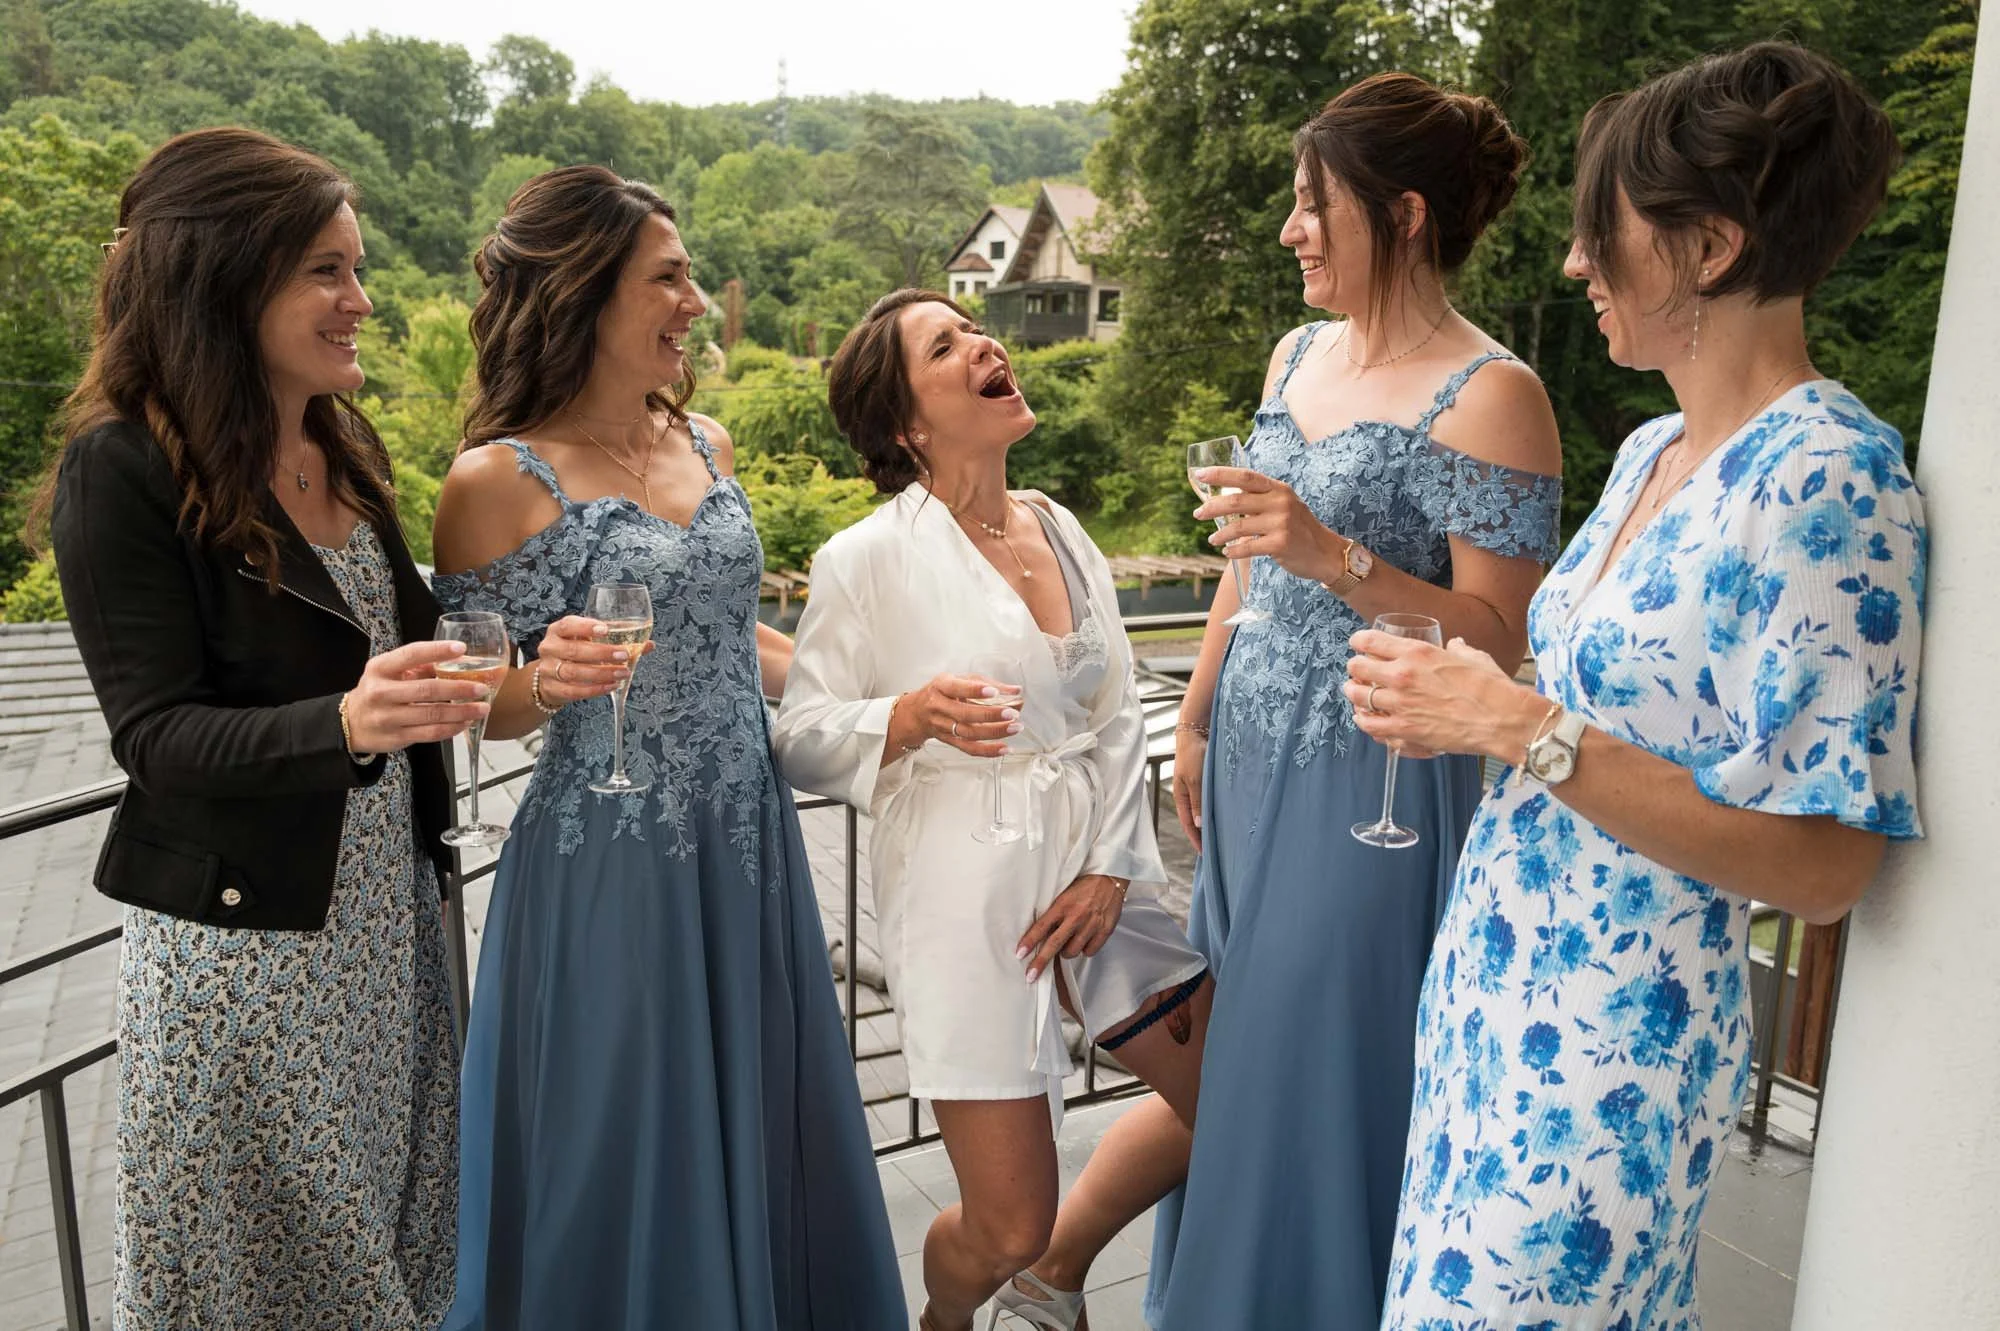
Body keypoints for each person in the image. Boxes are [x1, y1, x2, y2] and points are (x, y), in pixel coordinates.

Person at [1350, 43, 1923, 1328]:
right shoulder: (1654, 445)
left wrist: (1523, 727)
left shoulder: (1830, 480)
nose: (1572, 264)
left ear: (1707, 246)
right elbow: (1583, 701)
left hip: (1615, 1035)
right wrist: (1471, 700)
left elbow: (1826, 864)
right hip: (1493, 980)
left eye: (1598, 235)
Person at [1026, 73, 1564, 1329]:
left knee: (1311, 1064)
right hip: (1252, 760)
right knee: (1239, 1052)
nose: (1290, 230)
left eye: (1313, 204)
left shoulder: (1495, 394)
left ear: (1405, 212)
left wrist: (1339, 559)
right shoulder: (1297, 351)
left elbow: (1498, 638)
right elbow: (1246, 554)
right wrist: (1200, 709)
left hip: (1377, 782)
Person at [428, 165, 903, 1330]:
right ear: (586, 293)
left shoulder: (708, 439)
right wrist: (546, 680)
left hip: (747, 844)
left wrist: (878, 698)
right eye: (669, 277)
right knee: (625, 1132)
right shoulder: (495, 479)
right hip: (613, 857)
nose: (694, 301)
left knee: (761, 1120)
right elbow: (475, 694)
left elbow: (732, 633)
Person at [44, 127, 474, 1329]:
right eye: (326, 271)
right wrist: (344, 721)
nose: (362, 300)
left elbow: (420, 657)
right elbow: (157, 738)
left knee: (394, 1269)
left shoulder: (343, 449)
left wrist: (542, 674)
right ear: (228, 279)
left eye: (356, 268)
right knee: (268, 1290)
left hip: (386, 940)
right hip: (250, 964)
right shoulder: (119, 467)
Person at [771, 289, 1214, 1331]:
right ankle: (947, 1314)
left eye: (975, 328)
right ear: (905, 424)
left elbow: (1109, 719)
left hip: (1099, 884)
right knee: (1007, 1222)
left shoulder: (1057, 522)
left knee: (1238, 1103)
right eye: (946, 344)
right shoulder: (864, 558)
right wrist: (908, 714)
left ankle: (1060, 1276)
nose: (983, 343)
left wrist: (1111, 865)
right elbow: (801, 729)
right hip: (966, 902)